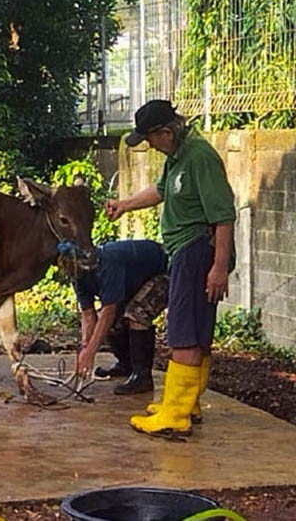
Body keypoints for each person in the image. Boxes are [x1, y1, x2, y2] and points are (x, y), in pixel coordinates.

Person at [105, 99, 236, 438]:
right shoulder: (177, 157)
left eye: (150, 139)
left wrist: (218, 267)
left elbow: (223, 216)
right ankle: (185, 403)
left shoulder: (199, 157)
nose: (149, 146)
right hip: (185, 252)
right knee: (194, 328)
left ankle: (175, 415)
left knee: (184, 333)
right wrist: (125, 205)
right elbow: (161, 191)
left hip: (197, 251)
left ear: (167, 131)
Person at [68, 239, 168, 395]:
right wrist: (85, 349)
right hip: (135, 281)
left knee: (136, 313)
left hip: (166, 272)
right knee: (113, 323)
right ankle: (126, 364)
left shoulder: (108, 263)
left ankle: (142, 377)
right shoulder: (78, 276)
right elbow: (88, 315)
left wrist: (90, 353)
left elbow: (109, 311)